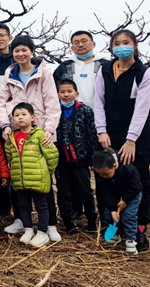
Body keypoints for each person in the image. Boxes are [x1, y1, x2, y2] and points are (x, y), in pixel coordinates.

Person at [0, 35, 62, 242]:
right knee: (19, 175)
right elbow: (0, 100)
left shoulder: (44, 72)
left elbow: (52, 103)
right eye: (16, 51)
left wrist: (49, 130)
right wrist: (6, 124)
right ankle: (22, 221)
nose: (20, 54)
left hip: (40, 131)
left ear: (32, 51)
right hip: (16, 132)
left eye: (24, 50)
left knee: (43, 179)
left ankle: (49, 224)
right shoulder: (10, 72)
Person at [94, 29, 150, 252]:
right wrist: (101, 130)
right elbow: (99, 101)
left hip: (137, 137)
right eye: (116, 43)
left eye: (126, 42)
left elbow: (142, 108)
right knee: (107, 179)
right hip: (110, 134)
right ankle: (112, 226)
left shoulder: (143, 72)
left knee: (139, 181)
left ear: (135, 45)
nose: (121, 47)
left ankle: (140, 229)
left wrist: (131, 139)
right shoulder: (105, 69)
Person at [5, 102, 59, 248]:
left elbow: (52, 156)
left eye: (24, 114)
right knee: (23, 205)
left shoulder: (40, 134)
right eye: (16, 116)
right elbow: (9, 156)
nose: (20, 118)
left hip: (38, 179)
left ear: (33, 117)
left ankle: (43, 232)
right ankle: (28, 229)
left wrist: (46, 173)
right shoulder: (12, 137)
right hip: (20, 180)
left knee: (42, 206)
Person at [55, 79, 99, 234]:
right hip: (61, 159)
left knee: (85, 190)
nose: (66, 95)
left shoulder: (85, 110)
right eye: (62, 92)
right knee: (63, 191)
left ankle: (92, 220)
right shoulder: (54, 111)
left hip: (81, 158)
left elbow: (92, 134)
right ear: (58, 94)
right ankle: (68, 222)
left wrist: (93, 157)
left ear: (76, 93)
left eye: (69, 91)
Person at [93, 149, 143, 255]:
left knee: (128, 216)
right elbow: (105, 193)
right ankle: (115, 234)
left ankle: (130, 239)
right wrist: (112, 209)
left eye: (106, 174)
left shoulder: (128, 168)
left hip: (132, 195)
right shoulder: (102, 175)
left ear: (114, 165)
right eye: (100, 175)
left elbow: (134, 186)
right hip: (114, 194)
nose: (103, 177)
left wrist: (125, 200)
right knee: (108, 214)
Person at [53, 31, 110, 109]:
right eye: (76, 42)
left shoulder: (106, 66)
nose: (80, 45)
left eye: (84, 41)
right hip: (72, 115)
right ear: (72, 48)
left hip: (101, 113)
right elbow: (54, 91)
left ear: (94, 44)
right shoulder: (64, 67)